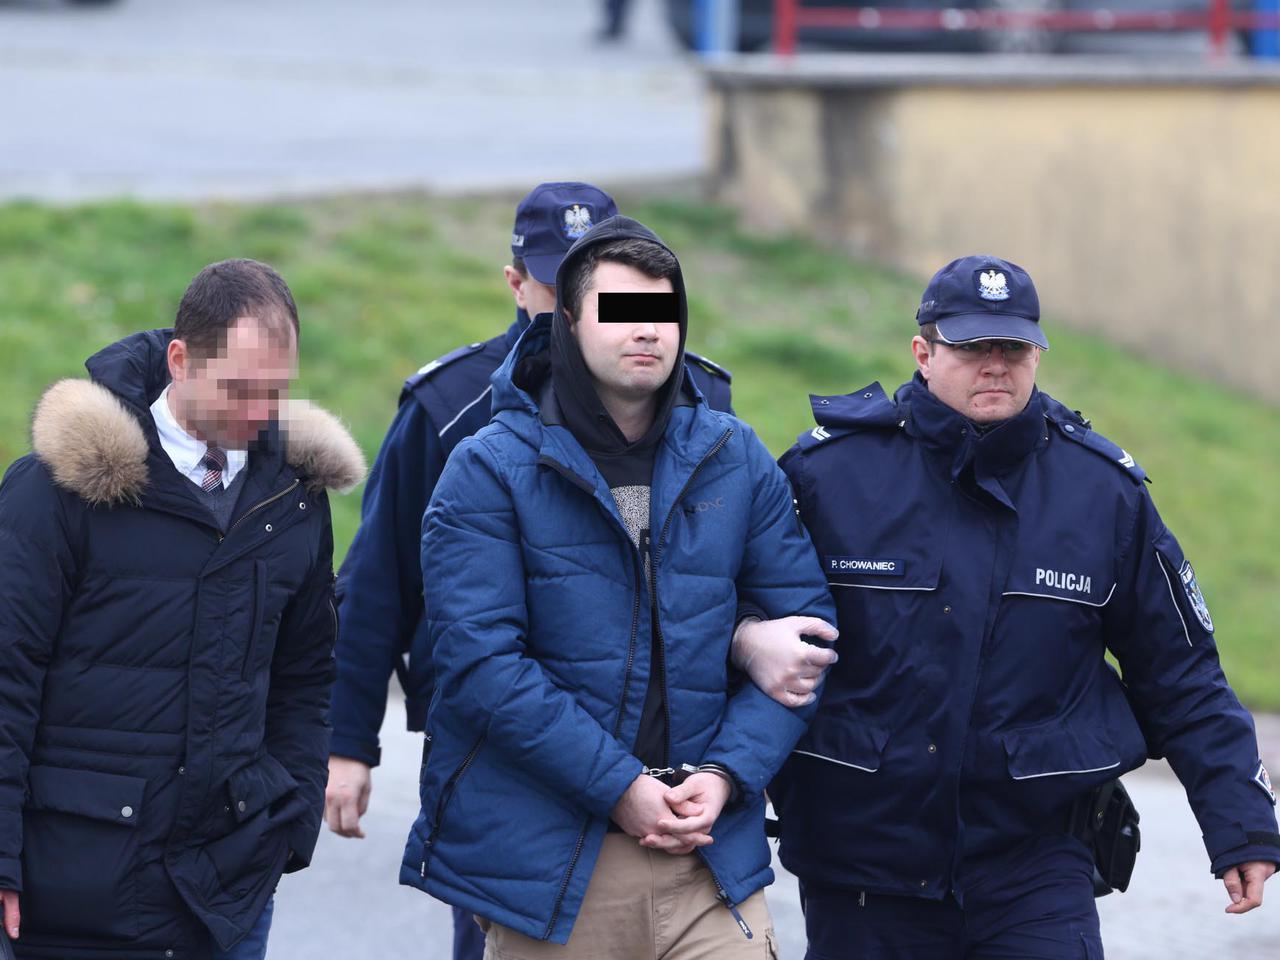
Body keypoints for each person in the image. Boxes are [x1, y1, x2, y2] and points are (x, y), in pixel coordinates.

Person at [768, 255, 1279, 958]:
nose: (996, 365)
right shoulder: (828, 476)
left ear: (1037, 354)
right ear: (923, 353)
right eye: (973, 347)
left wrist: (1241, 823)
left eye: (1013, 347)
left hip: (1035, 868)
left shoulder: (1103, 494)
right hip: (863, 866)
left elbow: (1181, 672)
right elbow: (744, 639)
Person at [399, 215, 838, 957]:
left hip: (710, 859)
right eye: (620, 310)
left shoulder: (734, 456)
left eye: (662, 312)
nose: (646, 331)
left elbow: (806, 635)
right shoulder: (487, 469)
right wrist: (621, 788)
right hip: (555, 872)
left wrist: (729, 773)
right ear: (567, 323)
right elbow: (482, 666)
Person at [324, 183, 734, 959]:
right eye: (556, 282)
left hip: (667, 757)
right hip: (499, 753)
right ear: (517, 284)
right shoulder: (449, 405)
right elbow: (379, 580)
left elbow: (729, 568)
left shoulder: (699, 397)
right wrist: (348, 742)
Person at [0, 259, 365, 960]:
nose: (259, 413)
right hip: (74, 896)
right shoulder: (55, 491)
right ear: (180, 361)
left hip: (228, 897)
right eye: (239, 389)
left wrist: (287, 824)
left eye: (276, 392)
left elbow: (305, 676)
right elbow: (7, 678)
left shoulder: (294, 500)